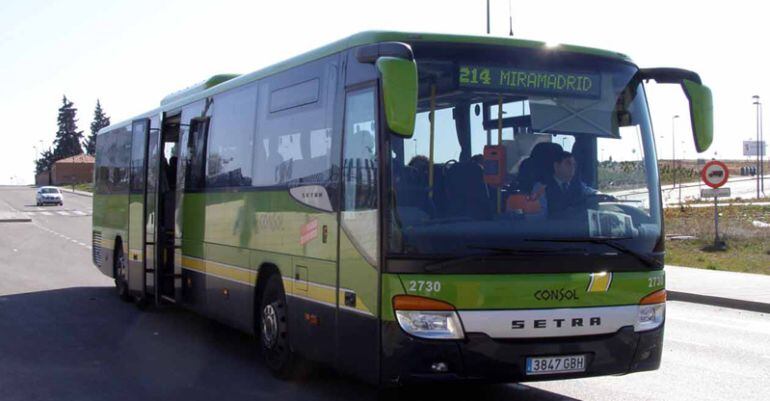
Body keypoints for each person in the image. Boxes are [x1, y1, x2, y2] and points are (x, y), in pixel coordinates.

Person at [531, 150, 596, 218]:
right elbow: (538, 219)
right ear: (556, 166)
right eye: (568, 163)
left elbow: (594, 194)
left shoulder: (578, 185)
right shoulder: (541, 187)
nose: (572, 167)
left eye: (574, 164)